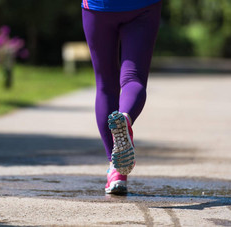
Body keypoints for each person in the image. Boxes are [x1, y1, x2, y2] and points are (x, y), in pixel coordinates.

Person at [81, 0, 162, 194]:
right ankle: (125, 117)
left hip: (98, 6)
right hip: (143, 6)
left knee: (105, 85)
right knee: (133, 78)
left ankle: (116, 171)